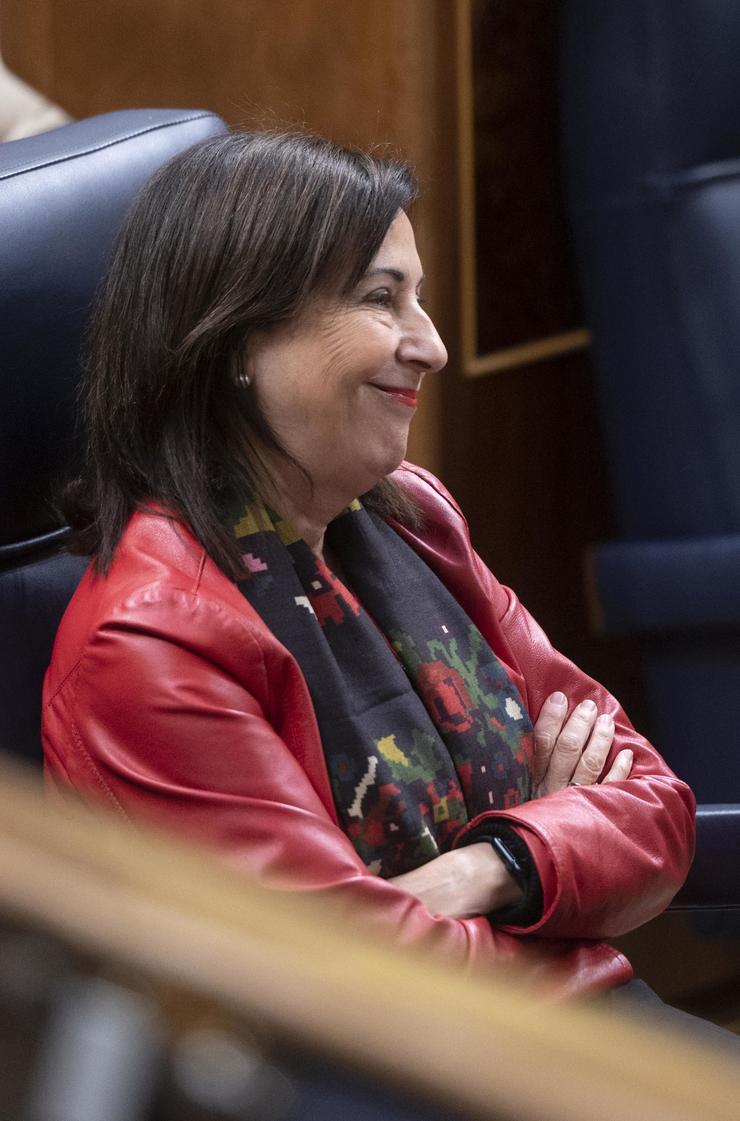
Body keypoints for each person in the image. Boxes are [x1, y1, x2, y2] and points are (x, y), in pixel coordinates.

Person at [43, 131, 697, 1010]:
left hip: (590, 1030)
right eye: (381, 299)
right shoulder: (151, 639)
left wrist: (490, 865)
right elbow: (360, 983)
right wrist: (559, 862)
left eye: (418, 300)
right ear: (235, 338)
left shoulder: (414, 515)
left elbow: (656, 806)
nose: (430, 346)